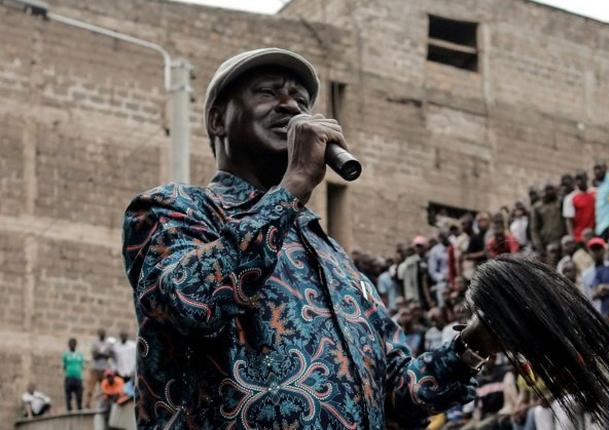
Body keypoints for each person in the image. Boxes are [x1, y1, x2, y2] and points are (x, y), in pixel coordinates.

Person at [122, 48, 505, 428]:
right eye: (268, 93)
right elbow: (192, 302)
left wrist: (474, 344)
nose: (290, 107)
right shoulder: (172, 209)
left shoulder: (337, 261)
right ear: (218, 120)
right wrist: (296, 183)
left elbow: (398, 396)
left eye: (301, 101)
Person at [530, 182, 565, 253]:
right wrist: (538, 244)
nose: (550, 192)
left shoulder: (560, 203)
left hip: (561, 239)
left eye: (551, 189)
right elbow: (534, 228)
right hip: (546, 242)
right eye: (548, 190)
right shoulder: (537, 207)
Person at [563, 171, 596, 243]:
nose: (579, 182)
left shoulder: (595, 192)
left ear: (587, 179)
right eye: (577, 180)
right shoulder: (570, 198)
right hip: (579, 237)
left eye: (581, 178)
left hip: (594, 234)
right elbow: (569, 220)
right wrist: (572, 238)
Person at [84, 328, 112, 408]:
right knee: (90, 388)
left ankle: (104, 405)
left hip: (104, 369)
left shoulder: (107, 343)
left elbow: (108, 356)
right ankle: (87, 404)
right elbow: (94, 356)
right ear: (99, 334)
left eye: (103, 333)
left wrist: (100, 353)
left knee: (104, 388)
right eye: (101, 333)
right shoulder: (95, 343)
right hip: (95, 369)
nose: (102, 335)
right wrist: (103, 354)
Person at [428, 231, 451, 308]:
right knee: (444, 306)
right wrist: (443, 277)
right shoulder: (435, 251)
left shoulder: (454, 245)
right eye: (441, 236)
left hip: (456, 281)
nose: (443, 238)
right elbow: (432, 271)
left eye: (445, 235)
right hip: (443, 283)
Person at [593, 161, 609, 236]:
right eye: (595, 169)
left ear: (605, 169)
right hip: (600, 225)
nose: (597, 171)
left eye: (599, 168)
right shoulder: (599, 185)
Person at [62, 338, 84, 411]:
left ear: (75, 345)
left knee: (79, 395)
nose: (72, 345)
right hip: (69, 377)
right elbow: (64, 366)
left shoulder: (80, 355)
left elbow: (82, 365)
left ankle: (79, 409)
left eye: (73, 344)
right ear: (69, 345)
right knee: (68, 396)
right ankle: (69, 410)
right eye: (71, 344)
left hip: (78, 377)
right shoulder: (65, 355)